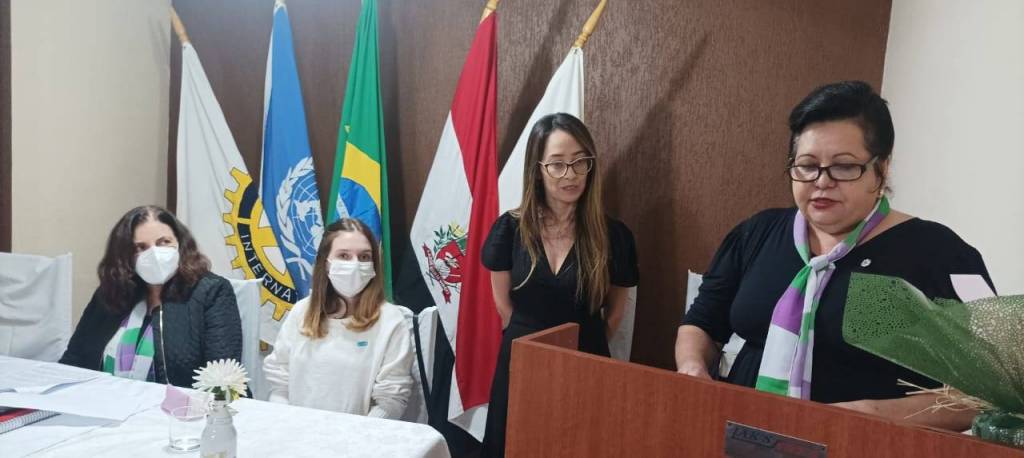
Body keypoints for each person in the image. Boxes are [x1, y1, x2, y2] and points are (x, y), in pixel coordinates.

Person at [675, 81, 994, 431]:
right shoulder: (757, 233)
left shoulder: (941, 253)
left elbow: (988, 390)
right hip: (741, 435)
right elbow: (703, 323)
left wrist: (869, 415)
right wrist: (692, 368)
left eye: (843, 167)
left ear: (882, 168)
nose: (821, 181)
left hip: (867, 445)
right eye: (807, 165)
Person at [481, 113, 639, 456]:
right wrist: (529, 338)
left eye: (580, 162)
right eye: (557, 164)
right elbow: (503, 305)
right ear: (537, 170)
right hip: (522, 357)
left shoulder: (614, 236)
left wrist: (587, 340)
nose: (571, 174)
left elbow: (615, 312)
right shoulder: (509, 228)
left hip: (586, 359)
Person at [60, 206, 243, 387]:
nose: (154, 254)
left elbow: (223, 380)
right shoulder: (111, 291)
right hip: (105, 399)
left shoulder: (212, 291)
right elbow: (74, 360)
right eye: (140, 247)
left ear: (180, 243)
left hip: (180, 404)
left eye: (164, 242)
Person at [263, 218, 413, 419]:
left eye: (364, 257)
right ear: (326, 263)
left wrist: (357, 433)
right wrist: (286, 421)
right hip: (298, 428)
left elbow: (391, 399)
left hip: (360, 433)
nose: (355, 264)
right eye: (344, 255)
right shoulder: (302, 311)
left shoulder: (391, 320)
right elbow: (280, 380)